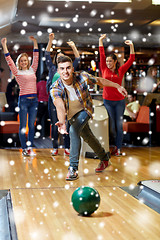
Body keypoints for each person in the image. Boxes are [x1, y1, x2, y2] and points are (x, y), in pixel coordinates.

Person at [50, 55, 127, 181]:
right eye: (62, 69)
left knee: (74, 131)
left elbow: (100, 80)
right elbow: (59, 105)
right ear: (58, 71)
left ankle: (73, 169)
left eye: (68, 68)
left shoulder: (82, 76)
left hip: (85, 109)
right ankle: (105, 159)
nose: (66, 71)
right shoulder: (55, 88)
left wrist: (117, 86)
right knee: (88, 137)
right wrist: (62, 122)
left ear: (72, 68)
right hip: (71, 115)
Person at [1, 36, 39, 156]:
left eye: (25, 60)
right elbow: (9, 60)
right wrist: (4, 45)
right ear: (19, 63)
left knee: (32, 126)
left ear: (28, 61)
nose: (24, 62)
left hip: (34, 101)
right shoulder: (17, 72)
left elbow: (36, 57)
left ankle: (29, 148)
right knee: (23, 126)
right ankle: (24, 148)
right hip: (23, 101)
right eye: (21, 61)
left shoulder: (33, 69)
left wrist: (35, 42)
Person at [99, 34, 135, 157]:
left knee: (119, 126)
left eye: (110, 61)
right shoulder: (103, 68)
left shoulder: (120, 71)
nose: (108, 63)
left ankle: (118, 148)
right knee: (111, 126)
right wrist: (100, 40)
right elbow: (101, 54)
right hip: (107, 101)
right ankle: (109, 147)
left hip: (119, 101)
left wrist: (131, 46)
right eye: (107, 61)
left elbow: (131, 60)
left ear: (115, 62)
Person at [45, 33, 80, 156]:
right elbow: (46, 54)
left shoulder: (68, 69)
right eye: (58, 58)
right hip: (53, 100)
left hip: (67, 100)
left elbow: (78, 59)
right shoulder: (52, 69)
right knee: (55, 125)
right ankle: (55, 147)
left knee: (67, 124)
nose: (60, 59)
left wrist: (73, 47)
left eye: (62, 58)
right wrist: (50, 40)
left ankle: (67, 147)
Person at [36, 70, 49, 138]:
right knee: (47, 119)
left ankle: (38, 133)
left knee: (39, 119)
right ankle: (46, 134)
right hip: (48, 102)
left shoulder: (39, 84)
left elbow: (36, 93)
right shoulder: (49, 84)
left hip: (41, 102)